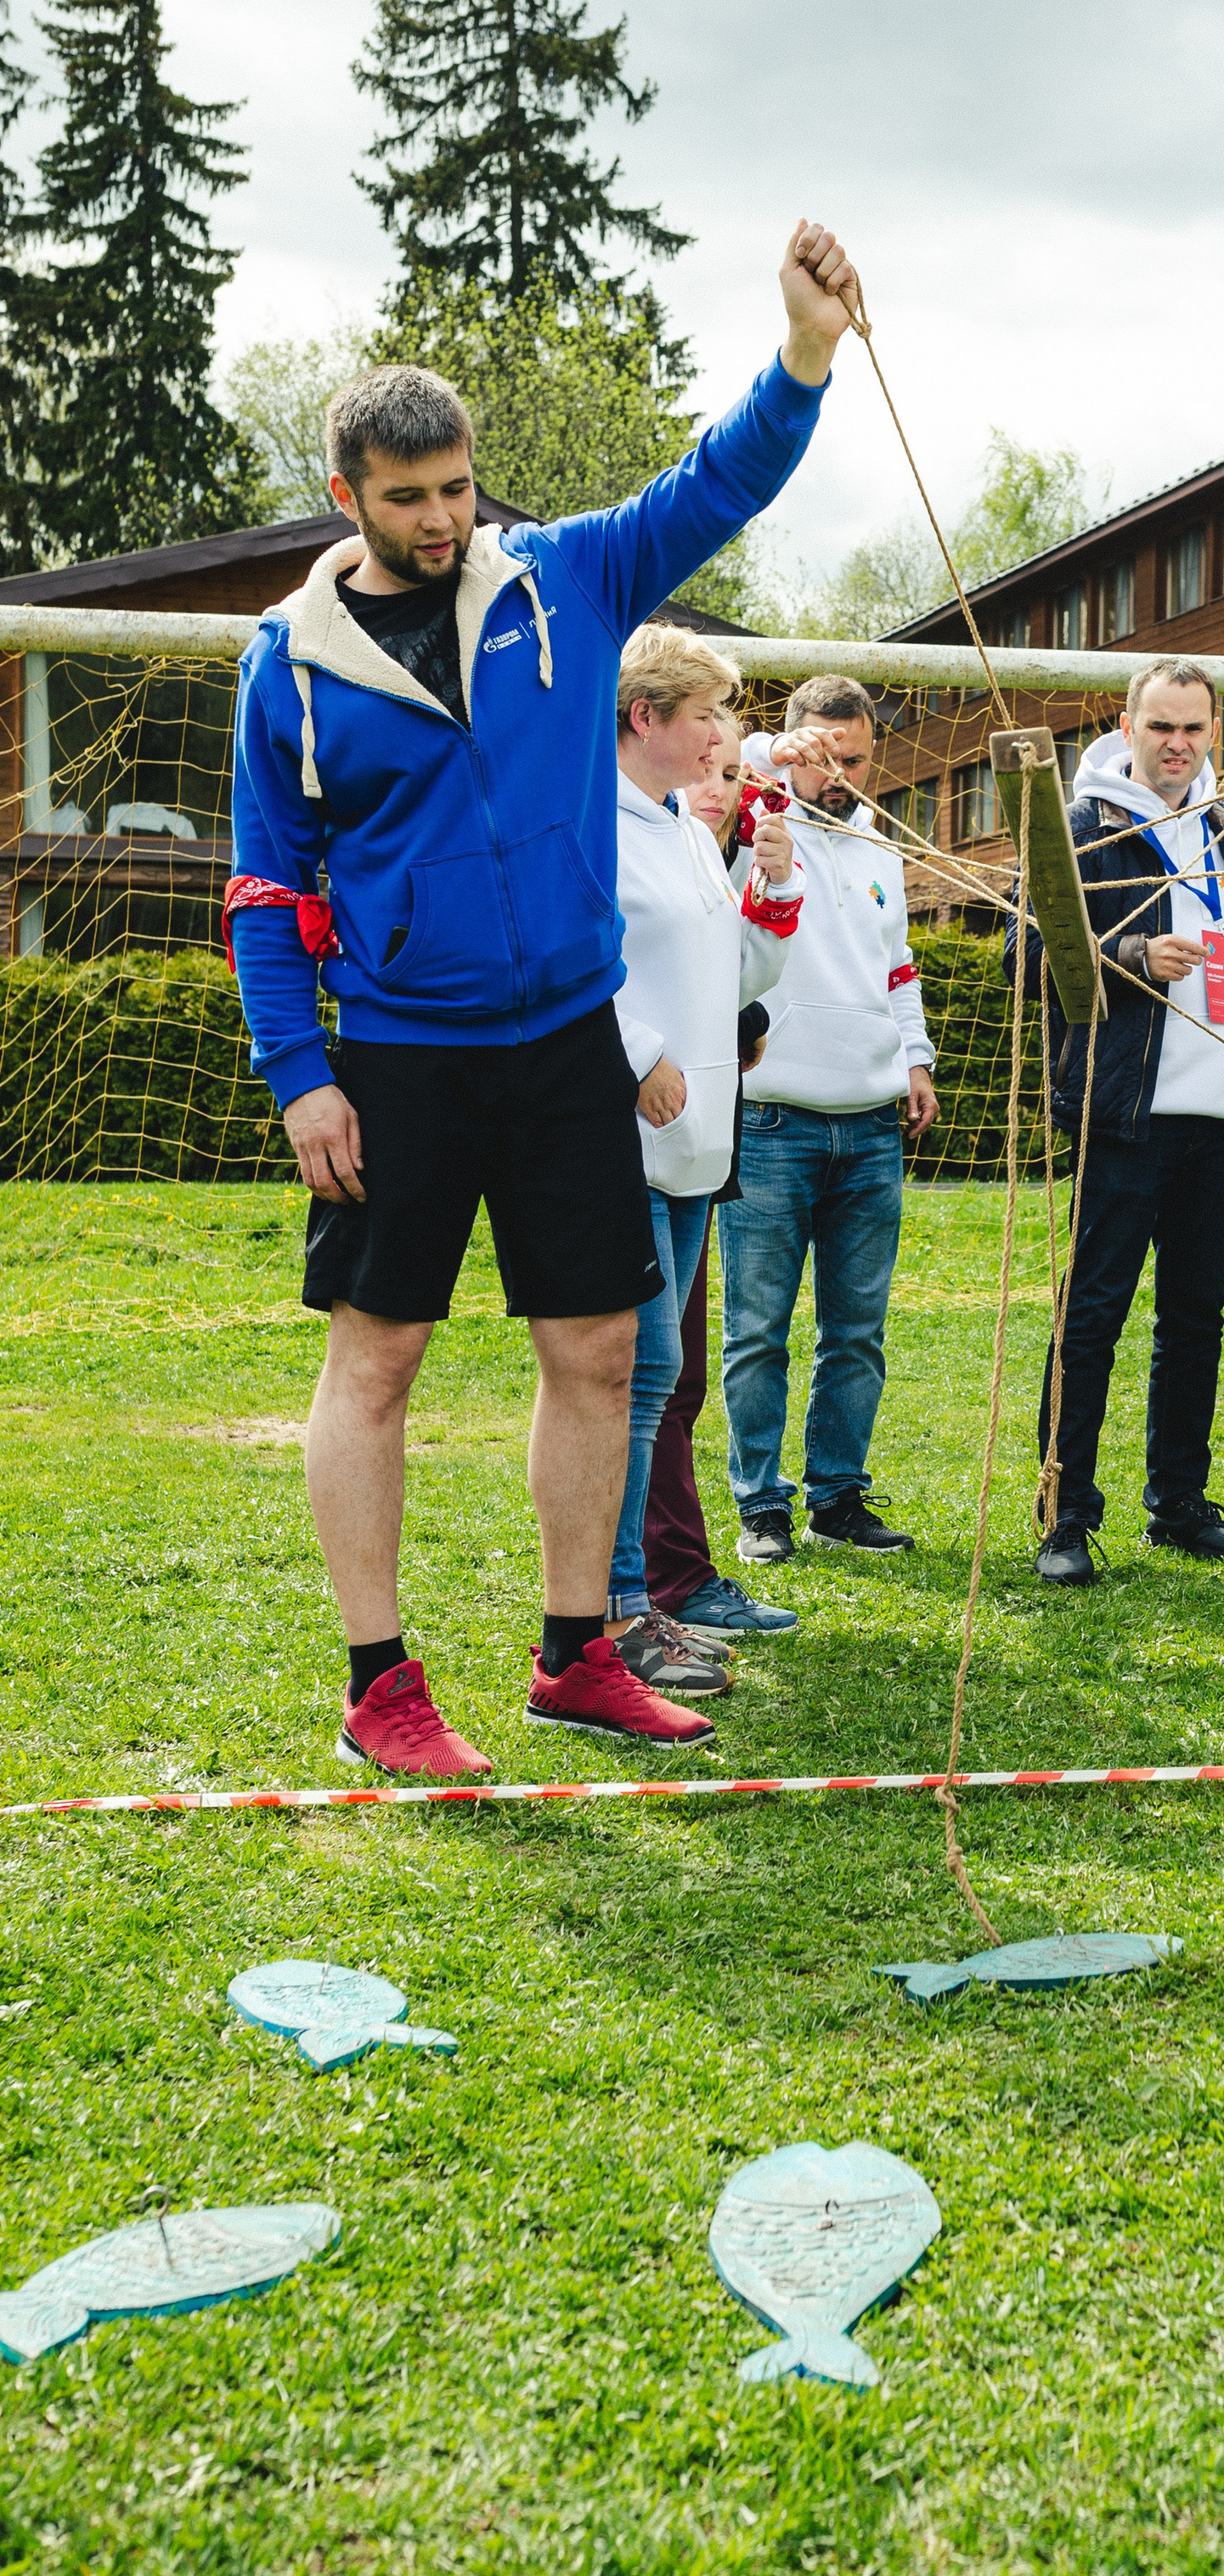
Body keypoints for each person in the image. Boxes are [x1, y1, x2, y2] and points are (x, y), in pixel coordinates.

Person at [227, 223, 861, 1779]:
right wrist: (302, 1073)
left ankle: (578, 1651)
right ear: (348, 501)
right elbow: (262, 890)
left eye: (457, 489)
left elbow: (716, 485)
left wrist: (803, 357)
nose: (443, 520)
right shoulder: (288, 671)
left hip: (569, 1033)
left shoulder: (566, 581)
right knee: (376, 1360)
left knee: (598, 1349)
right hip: (397, 1055)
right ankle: (382, 1685)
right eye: (409, 499)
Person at [1014, 657, 1224, 1584]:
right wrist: (1126, 953)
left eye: (1194, 729)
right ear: (1127, 729)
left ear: (1214, 733)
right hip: (1125, 1113)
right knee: (1091, 1318)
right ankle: (1064, 1515)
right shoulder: (1078, 827)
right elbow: (1022, 950)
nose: (1176, 745)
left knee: (1194, 1317)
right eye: (1160, 727)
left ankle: (1180, 1506)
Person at [605, 627, 805, 1699]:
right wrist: (639, 1056)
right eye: (706, 717)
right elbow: (567, 961)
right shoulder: (593, 822)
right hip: (621, 1140)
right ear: (646, 718)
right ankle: (620, 1606)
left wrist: (771, 893)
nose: (725, 736)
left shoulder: (686, 830)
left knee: (659, 1378)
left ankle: (639, 1601)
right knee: (634, 1384)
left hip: (695, 1145)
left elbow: (735, 975)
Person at [718, 674, 939, 1563]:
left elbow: (897, 968)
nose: (838, 773)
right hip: (773, 1120)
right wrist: (774, 759)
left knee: (856, 1329)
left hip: (872, 1121)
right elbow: (728, 774)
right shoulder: (753, 827)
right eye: (822, 755)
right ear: (794, 746)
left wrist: (914, 1059)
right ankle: (761, 1504)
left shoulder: (881, 849)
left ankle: (837, 1496)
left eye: (854, 758)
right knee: (757, 1329)